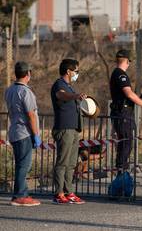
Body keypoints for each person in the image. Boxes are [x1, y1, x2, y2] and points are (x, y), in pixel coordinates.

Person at [5, 62, 41, 206]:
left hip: (14, 130)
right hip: (24, 132)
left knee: (21, 164)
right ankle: (20, 195)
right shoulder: (26, 92)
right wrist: (36, 134)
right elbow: (30, 114)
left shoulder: (9, 90)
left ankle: (20, 193)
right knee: (24, 165)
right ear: (28, 74)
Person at [51, 59, 86, 205]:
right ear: (68, 71)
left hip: (73, 129)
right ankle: (59, 193)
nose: (77, 74)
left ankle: (69, 192)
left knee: (71, 163)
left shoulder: (69, 87)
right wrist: (75, 96)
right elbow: (61, 95)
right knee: (62, 162)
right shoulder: (60, 85)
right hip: (64, 129)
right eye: (76, 71)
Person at [110, 49, 142, 172]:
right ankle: (122, 172)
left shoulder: (115, 73)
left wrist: (140, 97)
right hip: (123, 113)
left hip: (121, 112)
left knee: (124, 143)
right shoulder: (121, 74)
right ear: (127, 61)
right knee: (127, 143)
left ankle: (121, 170)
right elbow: (128, 94)